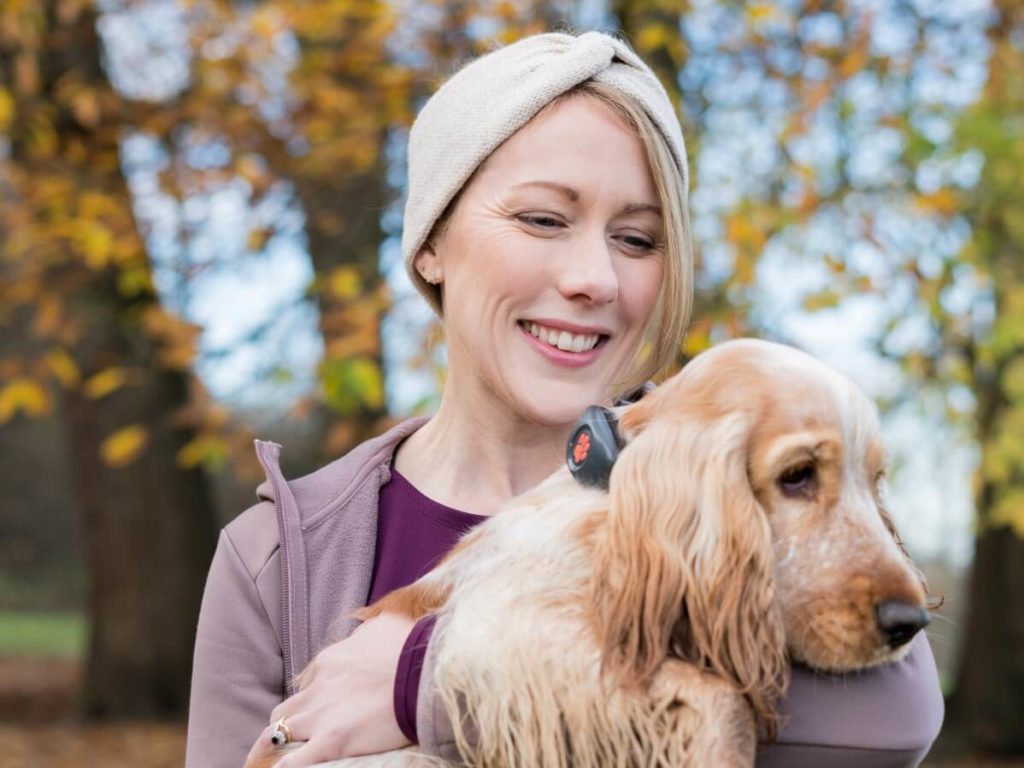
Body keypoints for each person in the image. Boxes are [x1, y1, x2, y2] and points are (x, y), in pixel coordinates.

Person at [185, 30, 944, 768]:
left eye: (638, 240)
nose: (597, 279)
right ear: (430, 243)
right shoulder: (279, 553)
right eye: (543, 219)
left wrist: (422, 687)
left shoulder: (733, 460)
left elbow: (892, 721)